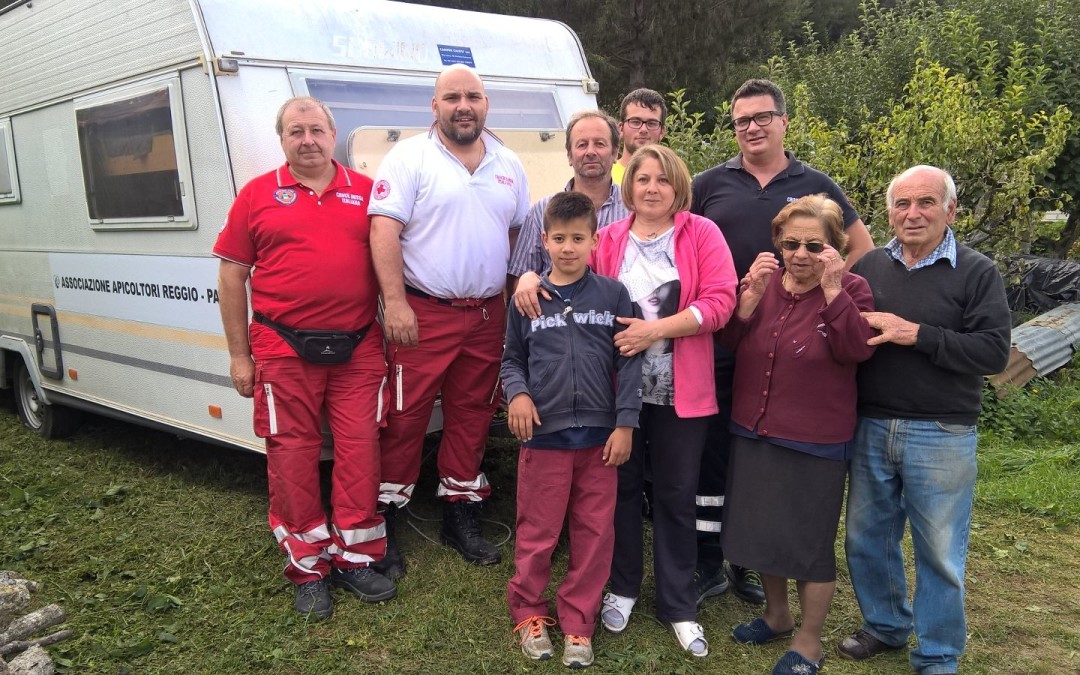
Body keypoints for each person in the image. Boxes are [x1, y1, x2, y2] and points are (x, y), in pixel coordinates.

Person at [689, 78, 875, 607]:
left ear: (783, 121)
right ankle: (708, 560)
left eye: (761, 117)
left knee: (761, 458)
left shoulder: (814, 182)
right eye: (741, 120)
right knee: (717, 452)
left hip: (789, 346)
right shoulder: (709, 183)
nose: (751, 127)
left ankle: (746, 563)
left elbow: (859, 244)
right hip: (727, 336)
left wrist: (824, 294)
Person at [214, 96, 395, 620]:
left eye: (317, 130)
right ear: (282, 139)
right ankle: (308, 566)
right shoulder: (256, 195)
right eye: (297, 131)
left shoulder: (367, 192)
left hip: (359, 344)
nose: (308, 140)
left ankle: (357, 555)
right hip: (281, 345)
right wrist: (239, 356)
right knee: (292, 455)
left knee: (360, 449)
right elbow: (231, 277)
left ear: (333, 133)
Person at [839, 165, 1011, 675]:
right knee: (867, 537)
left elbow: (994, 353)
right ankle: (886, 625)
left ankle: (937, 652)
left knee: (938, 549)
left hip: (941, 430)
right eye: (902, 204)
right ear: (889, 211)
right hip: (871, 423)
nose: (912, 214)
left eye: (926, 203)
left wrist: (918, 334)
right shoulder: (869, 266)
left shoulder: (977, 272)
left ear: (950, 210)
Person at [368, 64, 530, 576]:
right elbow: (383, 230)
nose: (465, 105)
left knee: (473, 415)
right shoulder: (410, 156)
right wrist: (394, 301)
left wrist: (511, 314)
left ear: (486, 105)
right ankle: (385, 519)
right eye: (453, 97)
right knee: (404, 418)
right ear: (433, 106)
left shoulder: (508, 163)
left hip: (487, 314)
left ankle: (460, 514)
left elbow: (518, 239)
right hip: (424, 313)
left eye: (474, 97)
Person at [717, 195, 876, 675]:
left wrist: (832, 291)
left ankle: (808, 642)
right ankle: (777, 614)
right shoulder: (765, 284)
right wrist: (745, 301)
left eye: (814, 245)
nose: (801, 254)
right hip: (754, 428)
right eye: (791, 244)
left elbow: (856, 350)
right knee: (765, 532)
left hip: (815, 438)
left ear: (834, 248)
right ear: (777, 244)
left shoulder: (853, 287)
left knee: (807, 543)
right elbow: (728, 343)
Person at [592, 144, 737, 657]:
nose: (651, 187)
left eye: (662, 179)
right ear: (628, 185)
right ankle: (623, 586)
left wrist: (655, 329)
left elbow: (721, 302)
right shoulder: (607, 237)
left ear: (678, 186)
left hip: (682, 391)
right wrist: (527, 278)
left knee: (677, 495)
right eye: (642, 178)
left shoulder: (702, 233)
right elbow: (576, 288)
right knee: (621, 491)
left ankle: (679, 603)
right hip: (617, 394)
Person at [503, 192, 643, 669]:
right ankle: (528, 611)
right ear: (543, 241)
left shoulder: (614, 295)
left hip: (601, 442)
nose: (567, 247)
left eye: (577, 238)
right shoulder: (528, 297)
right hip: (545, 438)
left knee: (594, 532)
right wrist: (518, 394)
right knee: (538, 530)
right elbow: (511, 359)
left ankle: (579, 622)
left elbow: (629, 364)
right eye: (558, 238)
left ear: (594, 240)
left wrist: (625, 424)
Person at [508, 110, 629, 288]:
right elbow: (519, 275)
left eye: (600, 144)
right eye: (581, 145)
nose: (590, 152)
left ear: (615, 152)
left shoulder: (633, 209)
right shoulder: (541, 211)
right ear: (569, 155)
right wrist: (526, 280)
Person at [611, 88, 667, 185]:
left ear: (662, 131)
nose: (643, 129)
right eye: (635, 122)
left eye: (652, 123)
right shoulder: (604, 177)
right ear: (620, 128)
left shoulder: (675, 178)